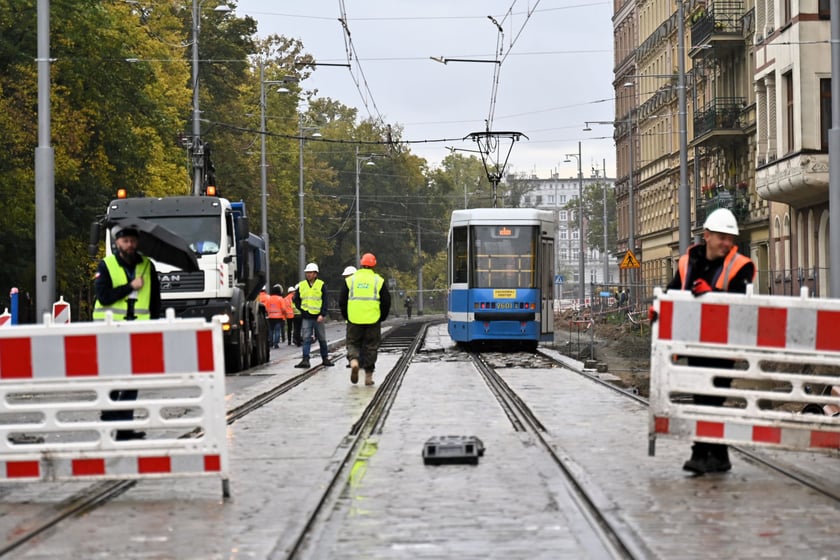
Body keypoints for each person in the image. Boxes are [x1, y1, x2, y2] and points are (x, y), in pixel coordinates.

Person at [666, 208, 755, 475]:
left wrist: (713, 293)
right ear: (707, 236)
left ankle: (699, 453)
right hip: (694, 344)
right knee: (703, 398)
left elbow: (741, 303)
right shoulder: (687, 263)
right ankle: (718, 456)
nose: (727, 243)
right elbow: (673, 292)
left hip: (723, 347)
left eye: (730, 239)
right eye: (721, 238)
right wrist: (659, 309)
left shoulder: (740, 265)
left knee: (711, 399)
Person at [93, 224, 161, 441]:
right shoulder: (106, 265)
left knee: (133, 378)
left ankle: (123, 426)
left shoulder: (147, 266)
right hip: (110, 330)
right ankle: (110, 416)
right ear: (117, 243)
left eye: (132, 241)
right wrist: (131, 286)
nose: (129, 245)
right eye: (125, 241)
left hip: (138, 330)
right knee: (113, 377)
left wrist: (154, 327)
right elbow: (104, 297)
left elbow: (155, 301)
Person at [340, 253, 391, 386]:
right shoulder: (378, 280)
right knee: (371, 346)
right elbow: (386, 301)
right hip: (372, 320)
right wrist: (382, 316)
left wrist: (347, 315)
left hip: (354, 319)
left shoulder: (351, 280)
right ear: (374, 265)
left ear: (361, 264)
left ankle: (354, 362)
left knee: (352, 343)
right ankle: (368, 376)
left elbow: (342, 300)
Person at [293, 263, 333, 368]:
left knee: (322, 338)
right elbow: (296, 300)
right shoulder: (302, 285)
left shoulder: (321, 285)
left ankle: (325, 358)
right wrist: (302, 310)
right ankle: (305, 360)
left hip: (318, 317)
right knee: (306, 339)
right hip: (306, 316)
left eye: (310, 272)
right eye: (307, 273)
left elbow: (325, 301)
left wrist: (322, 314)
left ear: (315, 274)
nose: (308, 274)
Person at [341, 266, 357, 368]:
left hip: (351, 319)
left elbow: (342, 302)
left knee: (351, 341)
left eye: (347, 276)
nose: (346, 278)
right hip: (364, 319)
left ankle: (353, 360)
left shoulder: (347, 286)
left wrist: (345, 315)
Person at [267, 284, 286, 348]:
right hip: (278, 317)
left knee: (271, 330)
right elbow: (283, 309)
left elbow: (266, 308)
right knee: (277, 331)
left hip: (270, 317)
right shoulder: (280, 299)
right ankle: (276, 344)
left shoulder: (269, 298)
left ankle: (271, 343)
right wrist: (284, 313)